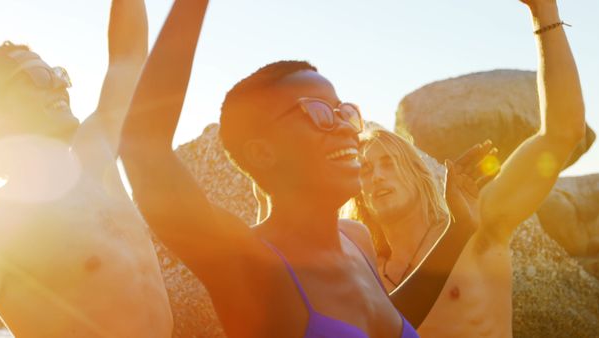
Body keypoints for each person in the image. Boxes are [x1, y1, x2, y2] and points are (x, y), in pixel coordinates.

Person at [120, 1, 490, 337]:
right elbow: (143, 148)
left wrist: (459, 232)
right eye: (319, 113)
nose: (346, 126)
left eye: (345, 111)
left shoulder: (356, 239)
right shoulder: (251, 262)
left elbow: (388, 319)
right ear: (263, 152)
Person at [345, 0, 586, 336]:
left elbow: (562, 133)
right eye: (366, 170)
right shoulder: (362, 271)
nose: (378, 176)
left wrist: (544, 13)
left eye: (389, 163)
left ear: (418, 173)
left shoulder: (478, 229)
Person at [0, 1, 173, 337]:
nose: (59, 85)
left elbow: (129, 56)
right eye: (38, 77)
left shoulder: (96, 155)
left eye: (59, 74)